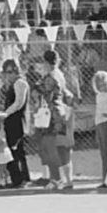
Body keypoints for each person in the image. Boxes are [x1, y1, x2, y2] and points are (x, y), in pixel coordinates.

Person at [36, 49, 75, 190]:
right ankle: (68, 179)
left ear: (46, 62)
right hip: (61, 111)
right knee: (61, 146)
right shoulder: (60, 74)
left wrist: (38, 82)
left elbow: (44, 92)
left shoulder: (50, 76)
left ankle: (55, 178)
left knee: (48, 145)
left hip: (52, 114)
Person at [0, 58, 31, 188]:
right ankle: (16, 178)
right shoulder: (12, 84)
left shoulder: (20, 83)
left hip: (16, 120)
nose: (8, 75)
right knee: (12, 150)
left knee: (16, 150)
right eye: (6, 72)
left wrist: (6, 113)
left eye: (11, 72)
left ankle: (21, 178)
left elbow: (19, 102)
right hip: (11, 120)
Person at [92, 71, 107, 181]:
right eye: (99, 84)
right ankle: (105, 175)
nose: (101, 86)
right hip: (100, 123)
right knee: (103, 151)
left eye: (103, 83)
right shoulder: (99, 95)